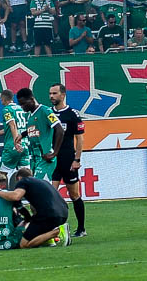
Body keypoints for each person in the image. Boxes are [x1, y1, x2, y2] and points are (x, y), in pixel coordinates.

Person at [0, 166, 70, 248]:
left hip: (49, 215)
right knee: (36, 223)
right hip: (63, 213)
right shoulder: (42, 182)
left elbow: (16, 196)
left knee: (23, 244)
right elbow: (34, 207)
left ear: (19, 178)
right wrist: (29, 218)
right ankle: (49, 239)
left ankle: (57, 232)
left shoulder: (23, 181)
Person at [49, 82, 88, 237]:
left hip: (67, 160)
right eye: (50, 93)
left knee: (74, 195)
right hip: (51, 161)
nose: (51, 96)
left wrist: (77, 159)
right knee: (51, 195)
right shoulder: (47, 113)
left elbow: (80, 139)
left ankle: (81, 228)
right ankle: (54, 230)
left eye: (55, 93)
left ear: (63, 95)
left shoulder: (72, 114)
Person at [16, 87, 64, 180]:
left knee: (41, 188)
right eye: (20, 104)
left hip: (45, 158)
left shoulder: (45, 111)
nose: (22, 107)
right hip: (35, 158)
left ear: (31, 99)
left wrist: (54, 153)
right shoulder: (30, 115)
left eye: (23, 104)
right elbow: (36, 129)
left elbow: (60, 129)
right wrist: (22, 135)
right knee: (38, 188)